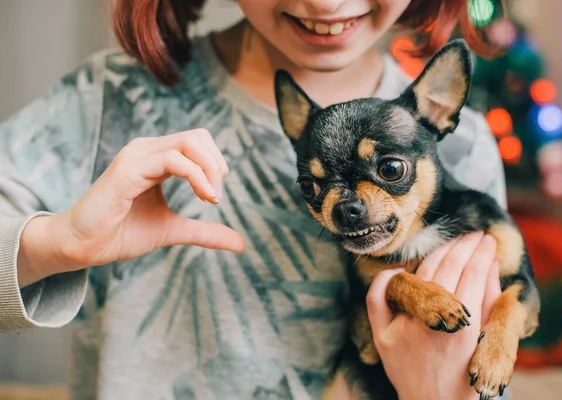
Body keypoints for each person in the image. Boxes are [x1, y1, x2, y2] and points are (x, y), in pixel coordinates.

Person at [0, 1, 508, 399]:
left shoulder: (458, 149)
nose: (326, 4)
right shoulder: (111, 98)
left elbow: (489, 369)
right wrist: (59, 242)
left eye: (391, 170)